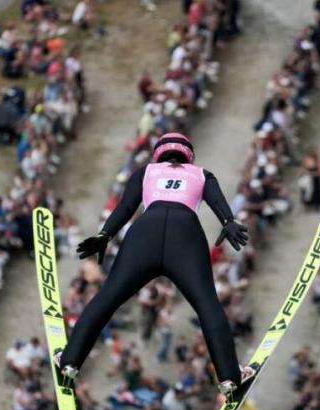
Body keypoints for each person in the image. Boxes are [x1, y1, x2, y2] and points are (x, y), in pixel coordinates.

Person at [55, 133, 255, 395]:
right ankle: (229, 377)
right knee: (208, 305)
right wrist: (228, 222)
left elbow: (125, 207)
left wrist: (105, 235)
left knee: (108, 297)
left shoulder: (146, 172)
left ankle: (70, 361)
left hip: (145, 234)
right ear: (189, 155)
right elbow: (218, 203)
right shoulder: (202, 174)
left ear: (158, 153)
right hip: (185, 235)